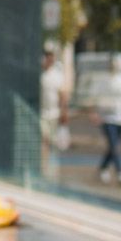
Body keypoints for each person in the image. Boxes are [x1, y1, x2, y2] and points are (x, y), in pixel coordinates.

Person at [95, 58, 121, 186]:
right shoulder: (104, 80)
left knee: (114, 145)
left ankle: (103, 167)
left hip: (120, 117)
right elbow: (97, 97)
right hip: (107, 118)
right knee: (114, 145)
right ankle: (120, 173)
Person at [38, 47, 70, 180]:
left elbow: (62, 94)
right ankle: (43, 169)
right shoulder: (40, 75)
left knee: (52, 142)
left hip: (54, 114)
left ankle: (51, 170)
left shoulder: (56, 75)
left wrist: (63, 111)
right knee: (43, 140)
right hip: (42, 113)